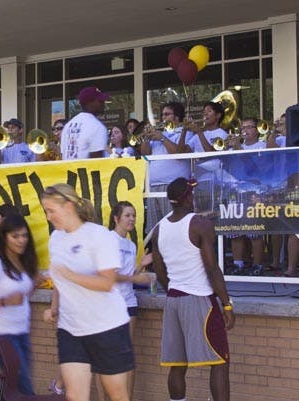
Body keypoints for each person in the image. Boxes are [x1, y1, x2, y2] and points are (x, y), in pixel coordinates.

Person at [41, 184, 134, 401]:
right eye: (46, 211)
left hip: (107, 325)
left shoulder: (99, 235)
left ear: (69, 206)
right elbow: (59, 278)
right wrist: (54, 307)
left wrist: (70, 275)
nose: (48, 217)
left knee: (117, 394)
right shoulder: (56, 238)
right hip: (71, 328)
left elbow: (106, 282)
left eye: (52, 210)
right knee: (75, 395)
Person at [151, 177, 235, 401]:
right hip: (199, 299)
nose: (194, 197)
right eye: (191, 193)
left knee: (177, 364)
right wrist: (227, 304)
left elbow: (159, 272)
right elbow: (212, 269)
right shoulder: (199, 223)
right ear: (186, 198)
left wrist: (174, 287)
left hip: (173, 299)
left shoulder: (160, 228)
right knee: (220, 361)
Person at [94, 201, 153, 401]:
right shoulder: (108, 240)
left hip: (128, 303)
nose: (132, 219)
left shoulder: (130, 244)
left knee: (126, 356)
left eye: (134, 215)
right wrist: (135, 278)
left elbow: (128, 276)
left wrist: (140, 267)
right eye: (127, 215)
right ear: (116, 218)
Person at [0, 214, 39, 396]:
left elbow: (21, 296)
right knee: (23, 388)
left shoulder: (22, 264)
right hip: (2, 335)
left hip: (22, 332)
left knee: (12, 388)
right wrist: (6, 301)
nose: (21, 240)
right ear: (4, 237)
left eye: (24, 235)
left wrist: (33, 285)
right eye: (15, 236)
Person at [141, 101, 192, 232]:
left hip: (171, 185)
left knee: (173, 227)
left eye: (167, 114)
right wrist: (146, 138)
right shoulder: (158, 133)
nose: (163, 118)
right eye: (162, 115)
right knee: (155, 229)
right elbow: (145, 153)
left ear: (177, 116)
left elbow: (177, 153)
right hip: (153, 186)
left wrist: (162, 138)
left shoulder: (185, 133)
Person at [60, 87, 109, 160]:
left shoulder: (68, 126)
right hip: (86, 171)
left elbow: (63, 154)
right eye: (100, 101)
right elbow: (97, 163)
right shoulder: (97, 126)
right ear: (90, 103)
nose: (103, 103)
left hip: (68, 170)